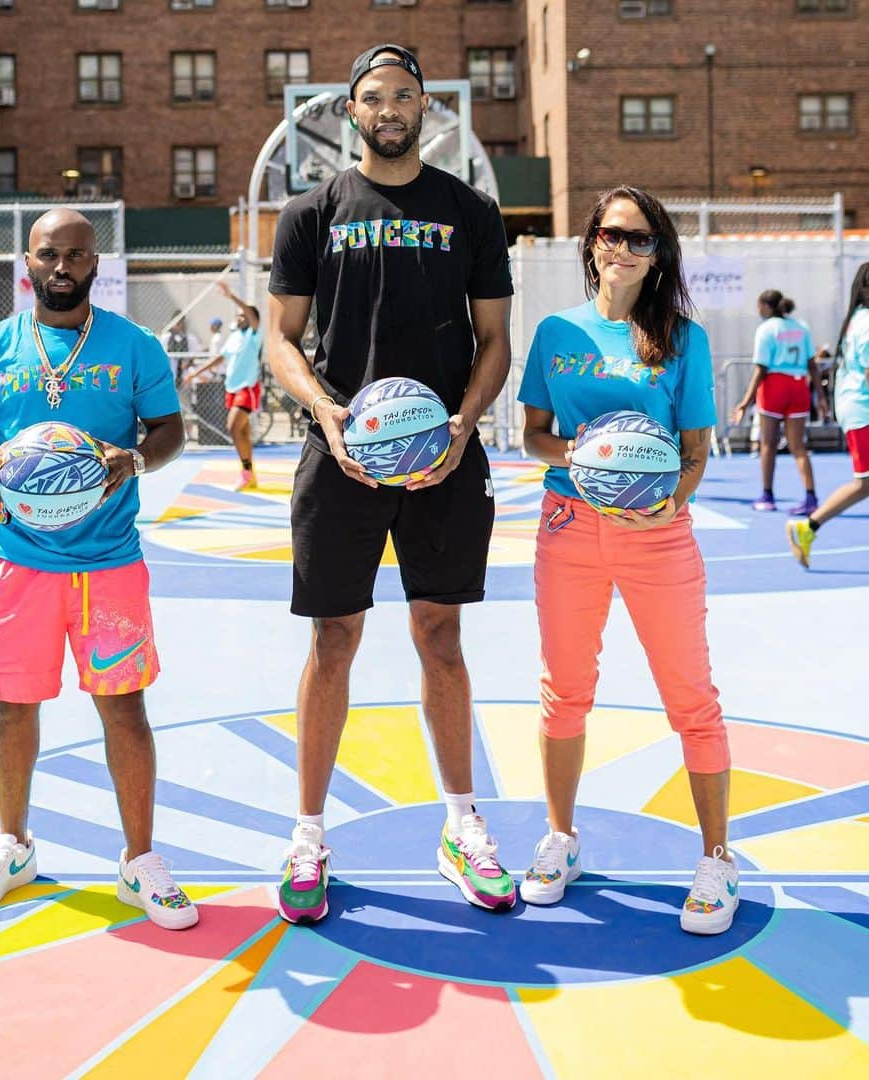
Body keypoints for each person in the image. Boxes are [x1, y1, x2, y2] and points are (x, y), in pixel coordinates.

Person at [265, 44, 515, 923]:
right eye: (373, 97)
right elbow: (280, 342)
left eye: (404, 95)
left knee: (439, 634)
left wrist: (464, 423)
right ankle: (307, 835)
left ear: (425, 109)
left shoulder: (471, 211)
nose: (389, 108)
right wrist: (327, 415)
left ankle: (461, 825)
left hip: (443, 455)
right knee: (333, 640)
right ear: (350, 111)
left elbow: (495, 344)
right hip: (341, 454)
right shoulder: (311, 212)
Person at [0, 207, 196, 929]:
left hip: (108, 560)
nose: (63, 267)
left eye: (77, 255)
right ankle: (13, 845)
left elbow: (170, 427)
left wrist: (137, 457)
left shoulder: (135, 344)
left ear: (95, 262)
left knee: (124, 706)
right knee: (12, 706)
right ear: (28, 262)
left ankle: (139, 861)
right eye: (49, 254)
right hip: (16, 557)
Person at [518, 186, 738, 935]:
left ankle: (716, 858)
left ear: (658, 255)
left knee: (691, 697)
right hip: (570, 525)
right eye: (612, 234)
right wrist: (581, 454)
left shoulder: (683, 339)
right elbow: (534, 435)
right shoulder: (555, 332)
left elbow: (696, 451)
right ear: (591, 243)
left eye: (641, 240)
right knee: (565, 691)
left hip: (655, 534)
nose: (623, 248)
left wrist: (666, 503)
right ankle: (561, 839)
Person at [786, 262, 869, 567]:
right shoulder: (867, 323)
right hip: (863, 410)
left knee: (865, 484)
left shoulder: (857, 319)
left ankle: (808, 527)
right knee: (863, 482)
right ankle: (807, 526)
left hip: (856, 408)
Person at [730, 289, 827, 514]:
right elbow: (812, 363)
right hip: (798, 386)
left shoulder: (766, 329)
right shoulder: (802, 327)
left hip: (774, 386)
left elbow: (761, 368)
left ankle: (767, 495)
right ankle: (811, 497)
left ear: (766, 306)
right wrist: (821, 398)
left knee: (768, 444)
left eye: (759, 306)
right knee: (798, 447)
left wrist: (745, 401)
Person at [184, 282, 263, 490]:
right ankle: (249, 474)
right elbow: (219, 359)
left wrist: (231, 296)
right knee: (242, 432)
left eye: (243, 315)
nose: (240, 317)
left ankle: (246, 471)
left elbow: (250, 313)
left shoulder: (254, 335)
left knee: (232, 426)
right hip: (232, 388)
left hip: (247, 388)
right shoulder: (235, 337)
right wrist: (196, 373)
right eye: (238, 315)